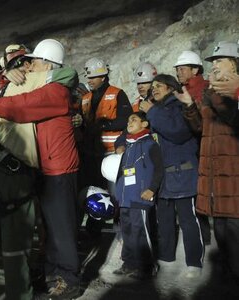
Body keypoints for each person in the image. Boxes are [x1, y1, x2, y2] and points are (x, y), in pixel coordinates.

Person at [0, 38, 81, 299]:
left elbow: (19, 106)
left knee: (62, 228)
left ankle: (69, 279)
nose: (30, 67)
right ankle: (53, 274)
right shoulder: (50, 86)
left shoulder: (55, 92)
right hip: (48, 166)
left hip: (60, 169)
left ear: (49, 65)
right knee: (50, 229)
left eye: (35, 63)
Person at [178, 41, 239, 282]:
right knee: (221, 229)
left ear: (234, 65)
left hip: (233, 174)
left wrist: (229, 93)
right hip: (216, 174)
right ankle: (225, 279)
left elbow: (233, 120)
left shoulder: (228, 93)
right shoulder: (212, 92)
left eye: (219, 62)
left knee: (234, 230)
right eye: (213, 63)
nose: (214, 67)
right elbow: (201, 128)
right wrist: (190, 107)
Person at [139, 74, 204, 279]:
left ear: (170, 88)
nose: (154, 89)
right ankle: (166, 258)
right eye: (153, 87)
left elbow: (178, 132)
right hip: (163, 175)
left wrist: (152, 113)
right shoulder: (156, 110)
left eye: (160, 86)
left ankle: (194, 262)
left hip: (181, 171)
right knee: (164, 219)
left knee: (188, 219)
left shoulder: (176, 107)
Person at [79, 57, 132, 237]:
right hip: (91, 154)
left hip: (110, 156)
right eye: (88, 78)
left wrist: (103, 125)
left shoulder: (117, 94)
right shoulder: (85, 98)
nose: (90, 81)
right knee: (94, 193)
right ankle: (93, 232)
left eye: (93, 77)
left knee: (115, 195)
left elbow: (126, 120)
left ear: (103, 76)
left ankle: (121, 233)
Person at [113, 111, 164, 279]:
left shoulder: (150, 144)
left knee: (140, 231)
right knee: (127, 231)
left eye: (134, 119)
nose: (129, 122)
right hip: (125, 197)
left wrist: (152, 189)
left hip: (141, 196)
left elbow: (158, 168)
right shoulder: (127, 145)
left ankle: (147, 267)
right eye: (128, 119)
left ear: (144, 124)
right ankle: (129, 263)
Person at [174, 50, 212, 245]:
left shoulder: (204, 89)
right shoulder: (183, 90)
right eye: (177, 69)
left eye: (183, 68)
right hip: (191, 148)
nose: (179, 72)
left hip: (199, 146)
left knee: (200, 194)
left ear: (195, 69)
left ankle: (205, 239)